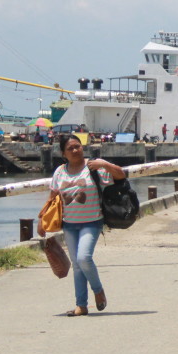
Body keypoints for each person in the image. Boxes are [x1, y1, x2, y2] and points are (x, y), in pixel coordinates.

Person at [39, 133, 126, 316]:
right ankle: (81, 305)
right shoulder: (60, 172)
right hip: (69, 224)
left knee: (83, 258)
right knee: (77, 265)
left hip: (92, 221)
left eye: (77, 146)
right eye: (70, 148)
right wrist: (42, 219)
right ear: (63, 153)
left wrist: (104, 164)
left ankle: (98, 290)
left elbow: (120, 175)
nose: (75, 150)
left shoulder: (93, 167)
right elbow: (53, 197)